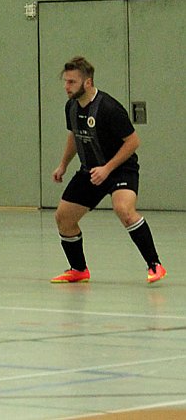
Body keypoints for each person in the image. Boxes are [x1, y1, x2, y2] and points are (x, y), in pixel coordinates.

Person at [50, 56, 166, 284]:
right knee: (64, 217)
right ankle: (78, 269)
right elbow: (74, 135)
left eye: (72, 82)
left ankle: (155, 265)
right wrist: (63, 164)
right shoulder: (71, 106)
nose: (67, 87)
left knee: (123, 209)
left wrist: (107, 168)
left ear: (88, 83)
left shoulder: (109, 108)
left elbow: (133, 142)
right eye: (65, 82)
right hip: (91, 171)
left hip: (121, 168)